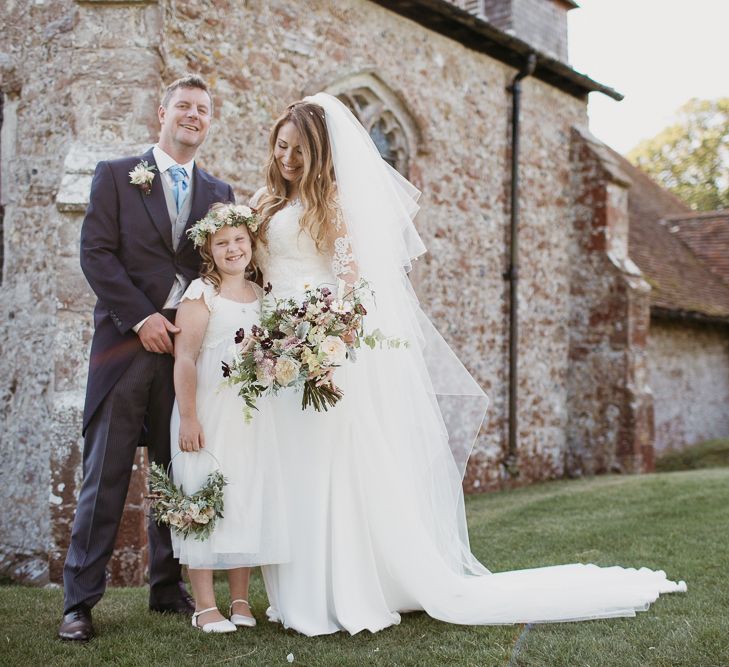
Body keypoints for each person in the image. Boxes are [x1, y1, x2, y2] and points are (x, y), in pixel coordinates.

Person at [251, 93, 686, 637]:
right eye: (282, 145)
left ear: (322, 154)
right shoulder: (265, 200)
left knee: (331, 468)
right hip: (277, 351)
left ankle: (347, 590)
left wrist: (327, 345)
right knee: (296, 468)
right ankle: (299, 594)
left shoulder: (333, 203)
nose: (288, 157)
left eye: (300, 150)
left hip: (323, 350)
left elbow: (352, 283)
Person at [59, 75, 235, 641]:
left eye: (202, 109)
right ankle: (79, 602)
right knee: (105, 477)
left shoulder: (219, 193)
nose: (192, 115)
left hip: (187, 357)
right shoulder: (115, 175)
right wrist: (142, 317)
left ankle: (166, 586)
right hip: (125, 346)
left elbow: (223, 267)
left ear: (210, 120)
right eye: (183, 106)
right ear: (161, 112)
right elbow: (97, 254)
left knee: (174, 474)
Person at [169, 205, 289, 633]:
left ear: (251, 243)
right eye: (222, 243)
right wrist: (188, 417)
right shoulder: (202, 294)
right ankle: (204, 605)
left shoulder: (261, 296)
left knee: (244, 499)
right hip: (209, 412)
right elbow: (184, 359)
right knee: (205, 495)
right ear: (209, 249)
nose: (233, 248)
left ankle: (240, 600)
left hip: (252, 416)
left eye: (239, 239)